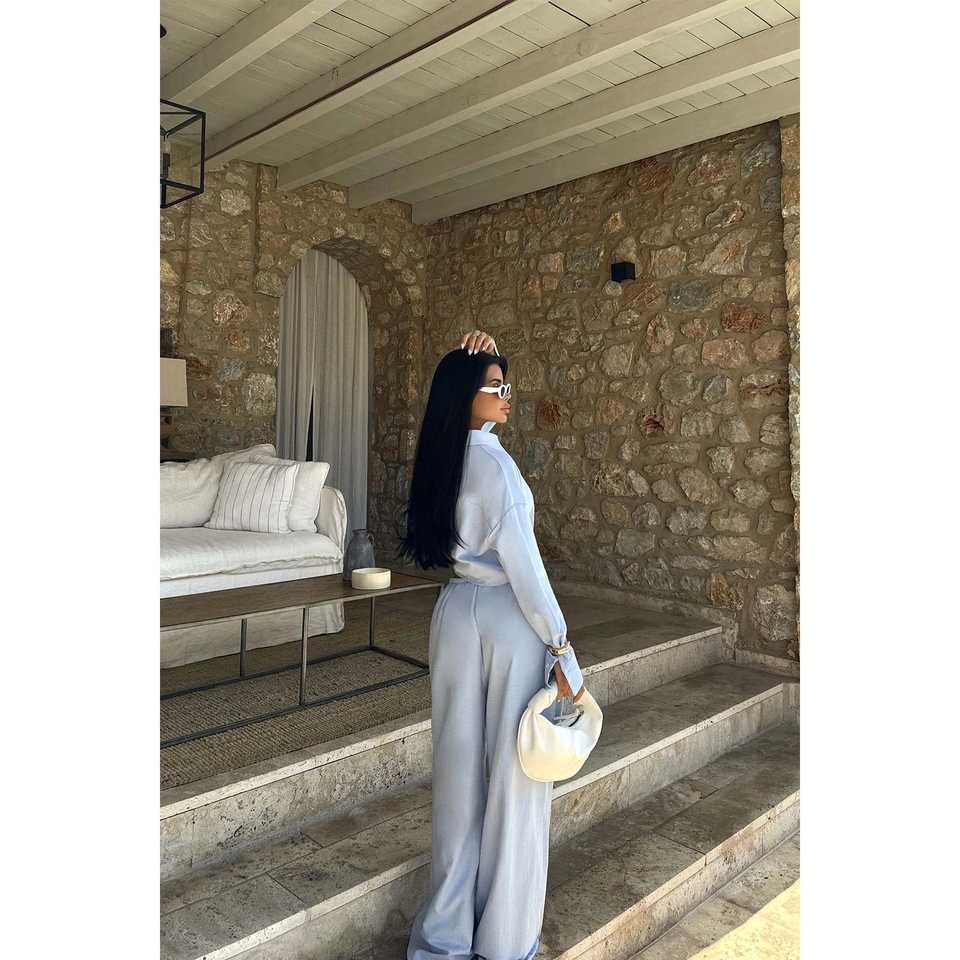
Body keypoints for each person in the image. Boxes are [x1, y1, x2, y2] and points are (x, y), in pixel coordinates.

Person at [397, 330, 586, 960]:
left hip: (455, 611)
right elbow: (525, 568)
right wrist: (561, 648)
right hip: (508, 617)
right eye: (496, 386)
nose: (508, 395)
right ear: (468, 396)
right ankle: (505, 942)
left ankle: (444, 938)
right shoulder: (497, 466)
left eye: (508, 384)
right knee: (518, 780)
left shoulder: (440, 457)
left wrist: (479, 356)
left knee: (456, 776)